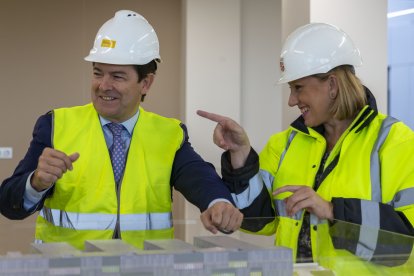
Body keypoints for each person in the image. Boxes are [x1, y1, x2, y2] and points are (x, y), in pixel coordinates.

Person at [0, 10, 243, 250]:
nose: (103, 85)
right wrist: (36, 183)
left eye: (117, 76)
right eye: (97, 73)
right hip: (70, 269)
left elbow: (199, 176)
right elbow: (8, 202)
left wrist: (218, 202)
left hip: (142, 268)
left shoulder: (169, 134)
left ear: (146, 83)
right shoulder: (55, 125)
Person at [198, 22, 414, 273]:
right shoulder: (285, 143)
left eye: (298, 88)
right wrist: (240, 154)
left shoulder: (395, 142)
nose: (291, 101)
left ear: (332, 85)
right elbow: (260, 220)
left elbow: (406, 240)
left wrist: (332, 210)